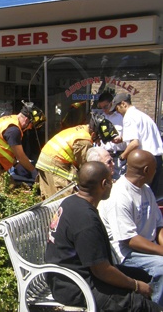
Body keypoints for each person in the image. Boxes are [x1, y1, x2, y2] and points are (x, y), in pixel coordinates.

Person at [45, 161, 162, 311]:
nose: (113, 183)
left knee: (144, 276)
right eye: (111, 180)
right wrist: (135, 285)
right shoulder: (85, 219)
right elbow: (101, 270)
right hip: (77, 287)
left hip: (70, 277)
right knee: (147, 307)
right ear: (104, 183)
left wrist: (137, 281)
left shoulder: (72, 202)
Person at [99, 149, 163, 306]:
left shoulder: (146, 190)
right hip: (127, 255)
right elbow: (129, 240)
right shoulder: (119, 195)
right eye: (155, 168)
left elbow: (159, 225)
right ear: (147, 170)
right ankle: (154, 307)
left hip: (147, 250)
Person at [36, 113, 117, 199]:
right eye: (98, 140)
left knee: (50, 196)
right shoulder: (84, 142)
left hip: (45, 161)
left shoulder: (81, 129)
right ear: (93, 134)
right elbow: (85, 168)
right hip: (54, 164)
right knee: (65, 197)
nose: (98, 143)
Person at [0, 102, 45, 184]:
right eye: (31, 125)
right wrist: (33, 170)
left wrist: (16, 164)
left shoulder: (9, 119)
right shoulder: (14, 131)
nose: (29, 128)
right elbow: (20, 156)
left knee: (11, 186)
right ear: (27, 120)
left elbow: (2, 148)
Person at [108, 92, 163, 194]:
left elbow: (134, 143)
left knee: (140, 194)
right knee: (151, 194)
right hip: (156, 159)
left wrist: (122, 157)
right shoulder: (142, 116)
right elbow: (142, 136)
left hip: (144, 161)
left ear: (123, 104)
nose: (117, 112)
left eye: (117, 108)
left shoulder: (129, 117)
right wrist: (122, 138)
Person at [96, 92, 127, 179]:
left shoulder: (122, 117)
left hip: (119, 156)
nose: (104, 110)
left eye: (105, 107)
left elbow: (131, 136)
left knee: (119, 181)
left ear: (112, 103)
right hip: (105, 156)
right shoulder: (101, 118)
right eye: (101, 107)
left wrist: (121, 139)